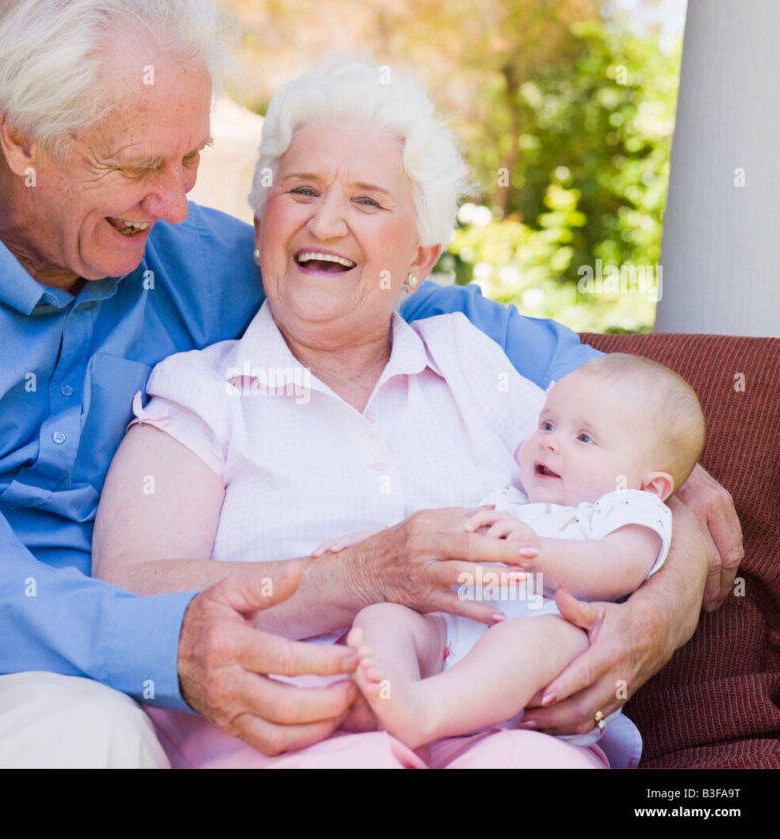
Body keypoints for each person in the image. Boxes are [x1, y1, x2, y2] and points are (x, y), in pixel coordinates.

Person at [0, 1, 736, 768]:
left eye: (191, 161)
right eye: (143, 166)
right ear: (24, 142)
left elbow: (429, 306)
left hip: (49, 657)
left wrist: (676, 512)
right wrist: (174, 636)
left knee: (87, 740)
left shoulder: (176, 246)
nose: (178, 203)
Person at [92, 54, 736, 768]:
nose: (326, 221)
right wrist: (357, 576)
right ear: (261, 219)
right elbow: (128, 593)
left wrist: (660, 598)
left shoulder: (470, 360)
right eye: (301, 189)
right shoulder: (201, 393)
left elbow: (624, 473)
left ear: (422, 257)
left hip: (502, 729)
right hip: (290, 734)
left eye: (367, 201)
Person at [335, 353, 705, 750]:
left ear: (649, 486)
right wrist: (372, 544)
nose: (550, 440)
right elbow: (439, 538)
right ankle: (387, 694)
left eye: (583, 438)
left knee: (532, 640)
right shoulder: (512, 498)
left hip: (546, 654)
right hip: (455, 637)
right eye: (547, 424)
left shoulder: (630, 509)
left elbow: (618, 568)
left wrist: (535, 551)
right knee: (385, 617)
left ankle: (425, 712)